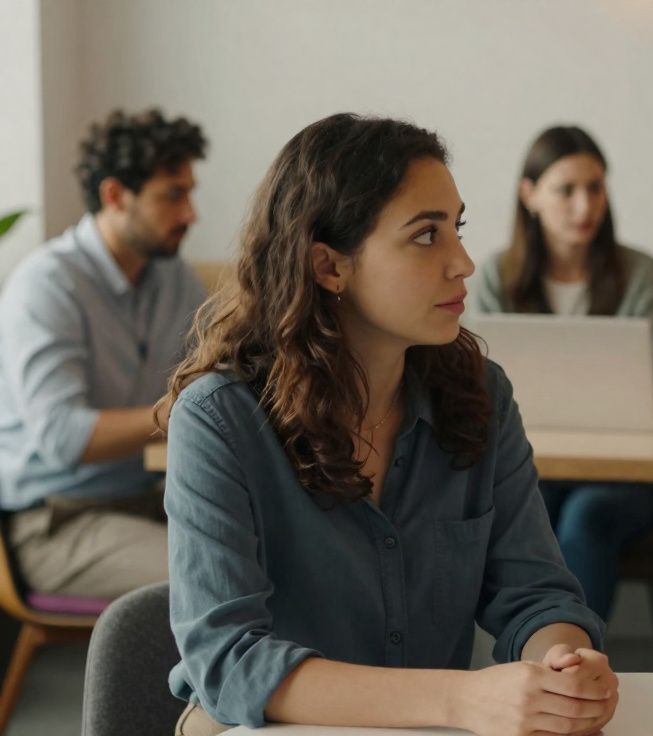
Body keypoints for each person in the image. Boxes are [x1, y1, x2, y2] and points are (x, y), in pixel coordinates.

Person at [165, 114, 618, 735]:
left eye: (456, 229)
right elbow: (228, 660)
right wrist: (462, 701)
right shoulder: (218, 420)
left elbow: (536, 593)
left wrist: (562, 661)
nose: (463, 263)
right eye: (426, 237)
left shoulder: (482, 395)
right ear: (329, 267)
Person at [0, 108, 207, 598]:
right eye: (173, 195)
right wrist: (186, 411)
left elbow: (216, 370)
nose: (191, 213)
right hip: (53, 520)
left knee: (288, 556)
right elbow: (65, 437)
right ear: (115, 195)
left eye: (190, 192)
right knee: (210, 584)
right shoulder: (48, 285)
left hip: (145, 500)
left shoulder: (172, 277)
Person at [469, 125, 653, 621]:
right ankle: (529, 663)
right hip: (533, 464)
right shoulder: (495, 275)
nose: (585, 206)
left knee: (584, 515)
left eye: (595, 188)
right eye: (566, 190)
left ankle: (575, 656)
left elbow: (645, 387)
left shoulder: (640, 273)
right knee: (529, 507)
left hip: (628, 474)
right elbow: (482, 392)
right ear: (529, 195)